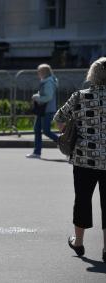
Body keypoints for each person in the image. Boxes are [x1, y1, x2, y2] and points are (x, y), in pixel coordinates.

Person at [54, 57, 106, 262]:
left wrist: (73, 129)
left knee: (82, 199)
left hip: (84, 158)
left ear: (92, 74)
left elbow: (59, 120)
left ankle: (78, 242)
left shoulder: (80, 97)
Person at [26, 64, 59, 158]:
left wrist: (37, 97)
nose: (38, 73)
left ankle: (66, 144)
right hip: (43, 110)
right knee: (37, 130)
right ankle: (37, 152)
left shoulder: (48, 82)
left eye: (39, 72)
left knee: (46, 131)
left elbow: (48, 97)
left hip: (47, 110)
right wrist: (38, 95)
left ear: (44, 72)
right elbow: (45, 94)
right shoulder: (46, 81)